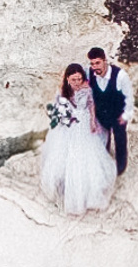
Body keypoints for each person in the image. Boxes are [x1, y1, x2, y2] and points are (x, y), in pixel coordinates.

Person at [39, 63, 115, 216]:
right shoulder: (62, 92)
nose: (77, 82)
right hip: (67, 127)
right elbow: (57, 107)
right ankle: (65, 189)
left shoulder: (87, 89)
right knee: (63, 157)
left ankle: (88, 195)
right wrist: (61, 117)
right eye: (73, 80)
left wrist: (93, 121)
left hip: (84, 124)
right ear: (67, 79)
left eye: (79, 79)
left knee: (85, 158)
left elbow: (91, 105)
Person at [85, 46, 129, 177]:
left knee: (120, 138)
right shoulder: (90, 74)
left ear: (104, 61)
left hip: (118, 113)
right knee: (104, 138)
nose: (95, 66)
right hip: (102, 114)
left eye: (97, 63)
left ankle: (121, 167)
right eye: (92, 63)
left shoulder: (119, 74)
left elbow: (128, 96)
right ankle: (105, 164)